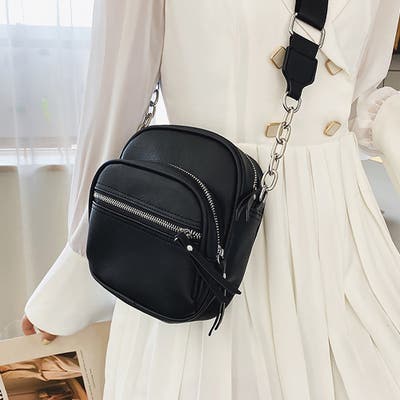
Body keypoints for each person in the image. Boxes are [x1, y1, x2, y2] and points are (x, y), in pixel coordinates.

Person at [22, 0, 400, 399]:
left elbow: (360, 99)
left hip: (340, 235)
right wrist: (79, 269)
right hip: (208, 227)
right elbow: (116, 100)